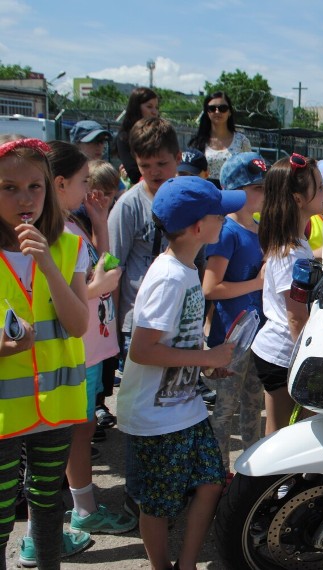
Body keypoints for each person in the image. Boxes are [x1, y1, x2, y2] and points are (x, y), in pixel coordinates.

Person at [116, 176, 242, 570]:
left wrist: (205, 362)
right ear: (197, 227)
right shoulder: (170, 276)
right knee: (158, 504)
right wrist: (208, 359)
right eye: (219, 213)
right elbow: (142, 349)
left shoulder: (186, 268)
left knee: (210, 482)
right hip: (155, 419)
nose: (226, 217)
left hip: (184, 408)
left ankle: (185, 565)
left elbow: (179, 342)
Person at [0, 137, 91, 569]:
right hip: (3, 412)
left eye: (34, 187)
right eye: (9, 188)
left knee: (48, 506)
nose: (25, 198)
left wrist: (49, 266)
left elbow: (78, 325)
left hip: (54, 405)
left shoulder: (68, 246)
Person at [47, 142, 137, 538]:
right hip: (76, 349)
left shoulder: (73, 223)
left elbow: (104, 263)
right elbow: (52, 299)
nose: (89, 190)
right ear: (60, 183)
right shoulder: (51, 232)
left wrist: (100, 223)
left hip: (91, 346)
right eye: (84, 182)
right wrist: (96, 286)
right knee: (69, 435)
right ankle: (73, 513)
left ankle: (80, 506)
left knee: (81, 431)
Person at [107, 117, 187, 516]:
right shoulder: (128, 206)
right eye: (146, 167)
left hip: (178, 322)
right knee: (140, 411)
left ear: (178, 158)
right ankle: (137, 491)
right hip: (136, 325)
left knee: (171, 405)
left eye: (162, 165)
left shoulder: (185, 199)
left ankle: (167, 484)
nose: (155, 174)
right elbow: (114, 265)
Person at [251, 154, 323, 434]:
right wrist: (310, 360)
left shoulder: (297, 242)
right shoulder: (291, 252)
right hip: (281, 354)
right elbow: (295, 316)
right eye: (318, 187)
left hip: (281, 350)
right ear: (297, 198)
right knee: (280, 433)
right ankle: (270, 478)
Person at [202, 152, 267, 476]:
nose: (264, 194)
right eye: (258, 187)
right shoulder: (226, 231)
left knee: (253, 409)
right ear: (238, 192)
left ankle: (249, 473)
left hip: (259, 338)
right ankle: (217, 475)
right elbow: (211, 287)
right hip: (230, 340)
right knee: (225, 411)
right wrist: (257, 281)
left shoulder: (260, 229)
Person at [87, 160, 123, 443]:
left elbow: (107, 261)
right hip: (89, 322)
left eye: (112, 192)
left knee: (102, 377)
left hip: (102, 318)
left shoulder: (98, 215)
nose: (107, 199)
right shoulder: (76, 220)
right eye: (103, 191)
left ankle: (97, 409)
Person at [189, 91, 252, 188]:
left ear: (229, 112)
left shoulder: (242, 141)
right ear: (207, 112)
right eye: (212, 108)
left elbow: (249, 171)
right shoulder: (197, 143)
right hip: (205, 193)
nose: (217, 112)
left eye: (223, 108)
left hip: (233, 194)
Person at [116, 87, 159, 185]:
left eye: (156, 107)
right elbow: (134, 174)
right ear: (136, 108)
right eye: (149, 106)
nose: (154, 112)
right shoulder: (124, 137)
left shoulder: (160, 134)